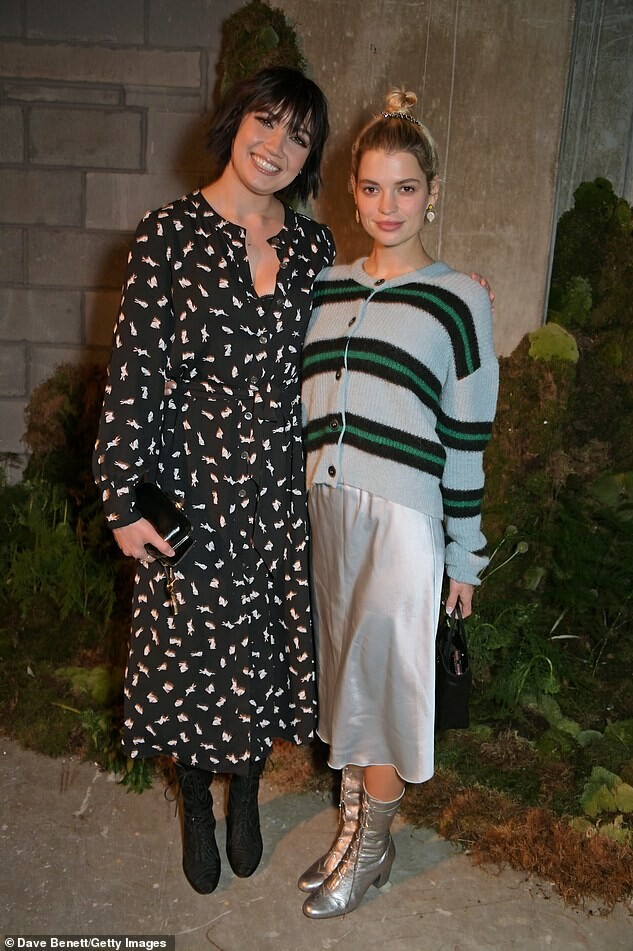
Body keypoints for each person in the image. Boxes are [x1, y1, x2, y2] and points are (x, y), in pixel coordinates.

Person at [92, 67, 335, 895]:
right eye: (266, 121)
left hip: (277, 492)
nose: (276, 146)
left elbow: (363, 319)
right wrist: (121, 499)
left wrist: (452, 289)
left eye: (298, 136)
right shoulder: (167, 233)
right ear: (236, 121)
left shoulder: (314, 248)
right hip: (189, 487)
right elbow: (133, 374)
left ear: (310, 157)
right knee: (189, 653)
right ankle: (196, 798)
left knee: (260, 653)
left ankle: (247, 791)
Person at [298, 87, 499, 918]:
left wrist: (465, 555)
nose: (389, 205)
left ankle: (375, 847)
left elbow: (468, 436)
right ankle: (352, 828)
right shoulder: (323, 287)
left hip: (402, 526)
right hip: (328, 516)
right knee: (347, 682)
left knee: (381, 692)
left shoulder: (460, 299)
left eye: (407, 187)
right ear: (352, 191)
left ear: (433, 192)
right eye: (373, 187)